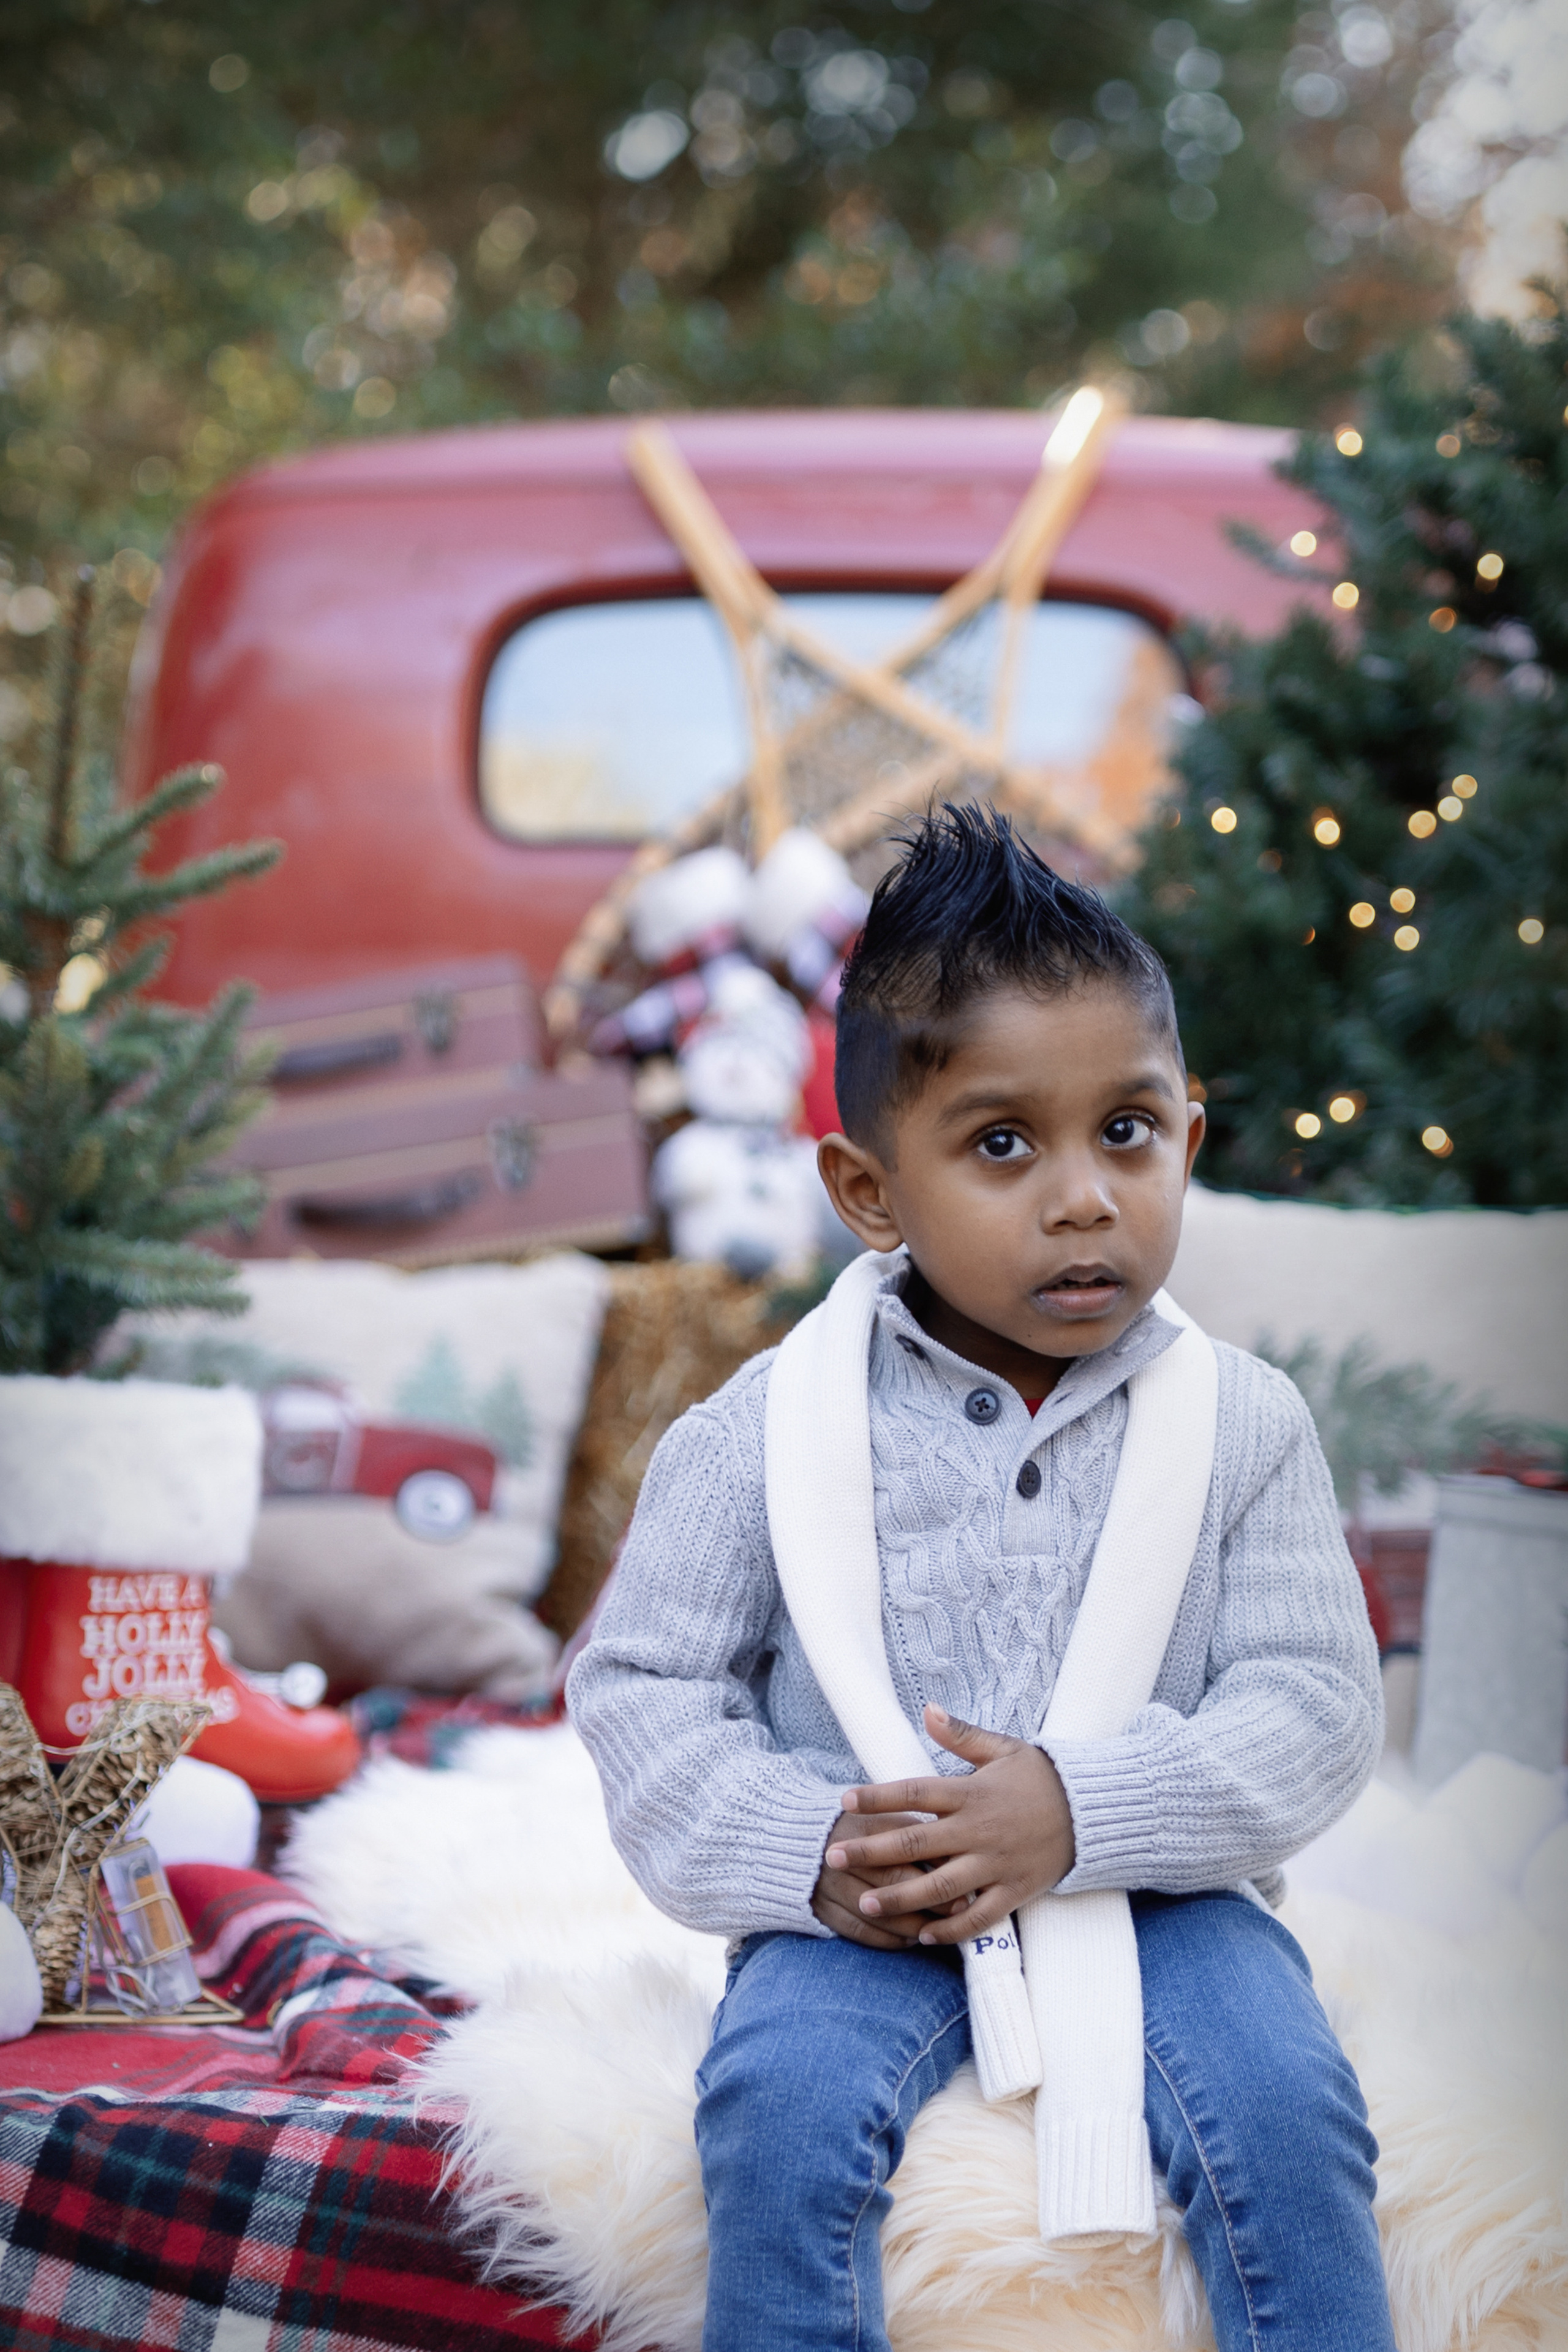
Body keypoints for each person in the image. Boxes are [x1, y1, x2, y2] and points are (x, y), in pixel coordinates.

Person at [568, 802, 1392, 2352]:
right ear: (869, 1191)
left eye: (1127, 1133)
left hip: (1167, 1900)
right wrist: (810, 1847)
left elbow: (1312, 1703)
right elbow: (645, 1689)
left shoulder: (1240, 1424)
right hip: (871, 1906)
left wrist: (1083, 1812)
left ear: (1188, 1140)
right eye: (1002, 1143)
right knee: (775, 2112)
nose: (1082, 1195)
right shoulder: (758, 1432)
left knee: (1291, 2116)